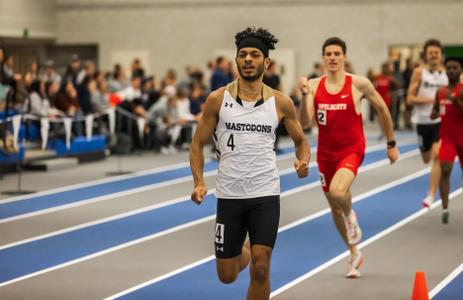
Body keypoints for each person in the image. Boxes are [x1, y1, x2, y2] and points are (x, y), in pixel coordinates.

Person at [189, 27, 310, 299]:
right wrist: (199, 182)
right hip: (230, 195)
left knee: (261, 269)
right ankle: (243, 251)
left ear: (266, 62)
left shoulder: (280, 102)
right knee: (227, 275)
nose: (247, 59)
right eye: (242, 54)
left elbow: (301, 141)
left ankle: (255, 256)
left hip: (265, 194)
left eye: (255, 55)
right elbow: (197, 144)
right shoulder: (217, 100)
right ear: (235, 60)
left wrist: (303, 161)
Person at [298, 37, 399, 278]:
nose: (332, 57)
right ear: (323, 58)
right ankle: (354, 253)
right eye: (328, 54)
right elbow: (304, 122)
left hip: (351, 150)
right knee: (334, 209)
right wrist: (303, 95)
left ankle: (350, 213)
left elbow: (382, 109)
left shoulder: (358, 84)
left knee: (338, 193)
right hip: (325, 155)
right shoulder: (313, 85)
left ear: (344, 57)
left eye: (336, 53)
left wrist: (391, 142)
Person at [406, 39, 448, 208]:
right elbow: (410, 99)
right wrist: (432, 100)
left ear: (440, 55)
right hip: (422, 121)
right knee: (426, 158)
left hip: (440, 120)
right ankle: (432, 191)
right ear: (425, 55)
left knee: (438, 155)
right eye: (430, 53)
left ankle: (431, 195)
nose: (433, 55)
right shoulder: (419, 73)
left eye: (436, 53)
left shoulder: (447, 74)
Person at [430, 56, 463, 224]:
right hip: (448, 138)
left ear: (460, 70)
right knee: (445, 169)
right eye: (448, 68)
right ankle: (445, 208)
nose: (451, 71)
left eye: (455, 68)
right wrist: (434, 113)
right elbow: (435, 110)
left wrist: (455, 100)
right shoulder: (440, 91)